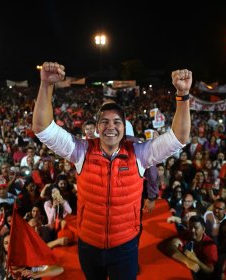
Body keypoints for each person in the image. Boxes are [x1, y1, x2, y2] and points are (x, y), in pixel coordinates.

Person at [32, 61, 192, 280]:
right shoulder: (81, 151)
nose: (110, 126)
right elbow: (42, 128)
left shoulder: (140, 153)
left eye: (117, 122)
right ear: (97, 129)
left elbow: (179, 138)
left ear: (124, 128)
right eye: (104, 122)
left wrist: (182, 95)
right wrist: (45, 85)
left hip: (125, 246)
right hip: (88, 244)